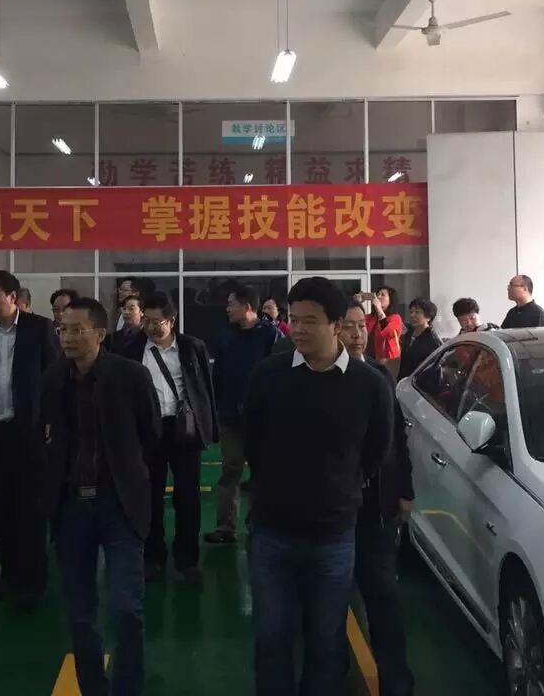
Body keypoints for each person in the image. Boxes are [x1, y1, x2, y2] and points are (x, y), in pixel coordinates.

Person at [245, 277, 392, 696]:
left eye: (310, 321)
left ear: (336, 325)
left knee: (326, 641)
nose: (298, 329)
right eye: (294, 320)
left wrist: (339, 487)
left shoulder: (369, 385)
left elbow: (376, 451)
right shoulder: (268, 376)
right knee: (271, 636)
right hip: (272, 532)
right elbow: (254, 444)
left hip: (333, 537)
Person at [42, 297, 160, 696]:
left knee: (127, 608)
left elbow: (150, 435)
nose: (67, 337)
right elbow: (45, 435)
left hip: (119, 505)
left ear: (100, 334)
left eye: (77, 330)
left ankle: (127, 689)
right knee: (80, 613)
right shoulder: (53, 379)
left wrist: (128, 476)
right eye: (63, 329)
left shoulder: (130, 376)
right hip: (72, 506)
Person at [0, 270, 61, 609]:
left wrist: (52, 421)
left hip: (31, 433)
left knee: (31, 510)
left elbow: (55, 376)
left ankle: (33, 582)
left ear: (12, 297)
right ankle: (9, 577)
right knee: (2, 508)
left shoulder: (39, 329)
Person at [337, 300, 415, 696]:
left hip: (375, 511)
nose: (357, 334)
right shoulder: (320, 379)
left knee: (384, 598)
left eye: (360, 326)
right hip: (333, 513)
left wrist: (405, 490)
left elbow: (397, 438)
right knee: (330, 603)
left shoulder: (379, 376)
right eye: (348, 326)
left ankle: (396, 683)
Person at [122, 292, 215, 583]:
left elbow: (205, 390)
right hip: (148, 432)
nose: (150, 327)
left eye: (156, 322)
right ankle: (153, 558)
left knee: (188, 497)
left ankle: (187, 560)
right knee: (150, 496)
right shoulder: (131, 349)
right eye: (146, 321)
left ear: (171, 320)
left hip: (183, 430)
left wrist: (208, 428)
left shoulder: (192, 347)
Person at [207, 284, 279, 544]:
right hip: (229, 416)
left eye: (231, 304)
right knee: (230, 469)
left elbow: (278, 376)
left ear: (247, 307)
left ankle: (258, 525)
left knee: (261, 473)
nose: (227, 309)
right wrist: (217, 407)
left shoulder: (271, 336)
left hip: (262, 418)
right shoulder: (225, 335)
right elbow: (218, 375)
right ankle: (225, 526)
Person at [399, 297, 442, 380]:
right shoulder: (409, 332)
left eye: (417, 312)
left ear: (428, 317)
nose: (412, 315)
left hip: (419, 384)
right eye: (411, 312)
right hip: (404, 381)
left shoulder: (433, 340)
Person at [360, 287, 404, 360]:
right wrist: (357, 303)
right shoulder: (370, 318)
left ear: (390, 300)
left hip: (388, 361)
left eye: (383, 295)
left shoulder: (395, 318)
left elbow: (387, 332)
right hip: (368, 359)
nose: (378, 297)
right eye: (377, 294)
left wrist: (379, 309)